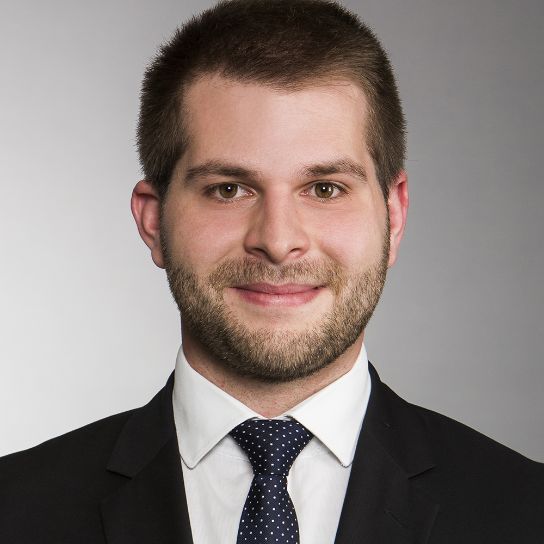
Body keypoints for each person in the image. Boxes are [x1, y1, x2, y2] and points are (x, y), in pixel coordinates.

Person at [1, 0, 543, 542]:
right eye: (228, 190)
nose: (279, 242)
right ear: (153, 221)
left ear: (394, 214)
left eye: (325, 189)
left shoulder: (526, 512)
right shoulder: (17, 510)